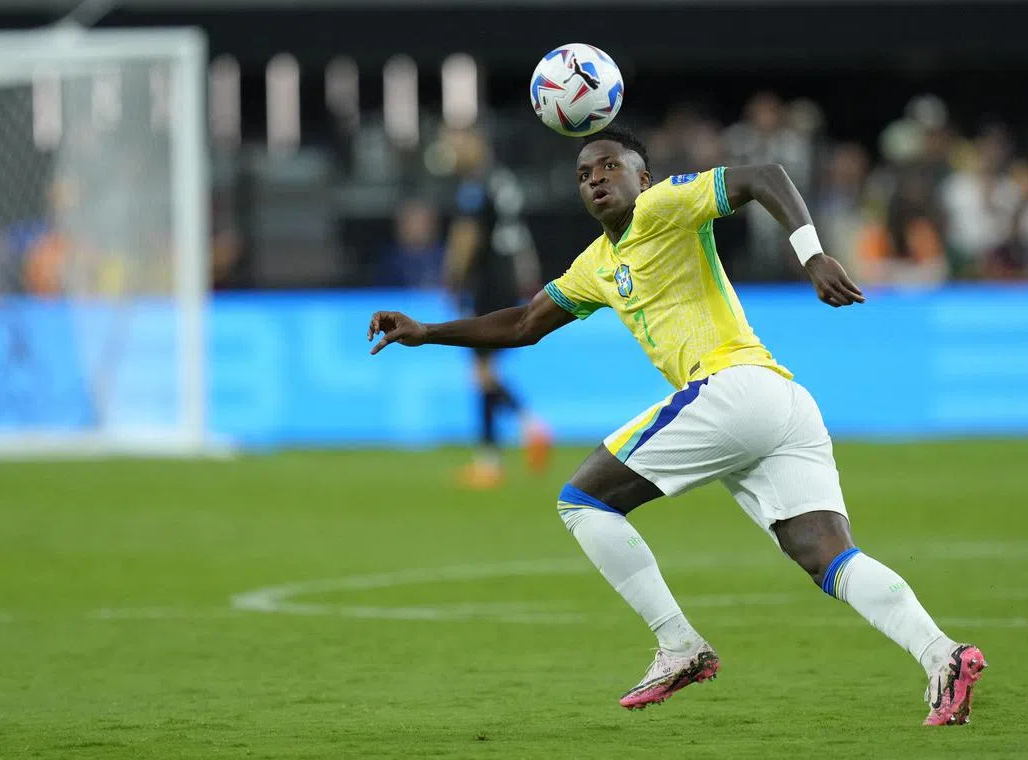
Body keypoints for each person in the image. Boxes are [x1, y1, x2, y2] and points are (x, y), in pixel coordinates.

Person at [368, 124, 986, 725]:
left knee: (583, 501)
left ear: (645, 177)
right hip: (780, 403)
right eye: (584, 174)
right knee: (824, 555)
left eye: (610, 166)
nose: (596, 179)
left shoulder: (664, 206)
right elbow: (523, 325)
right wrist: (426, 332)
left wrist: (812, 253)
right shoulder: (595, 265)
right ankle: (944, 656)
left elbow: (762, 176)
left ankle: (678, 644)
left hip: (734, 389)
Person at [441, 127, 551, 488]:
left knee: (481, 374)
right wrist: (528, 276)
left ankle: (524, 431)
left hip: (487, 282)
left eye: (458, 143)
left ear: (476, 144)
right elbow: (519, 235)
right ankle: (498, 453)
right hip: (508, 280)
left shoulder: (475, 186)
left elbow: (467, 236)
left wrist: (452, 277)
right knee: (485, 371)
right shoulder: (504, 180)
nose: (454, 151)